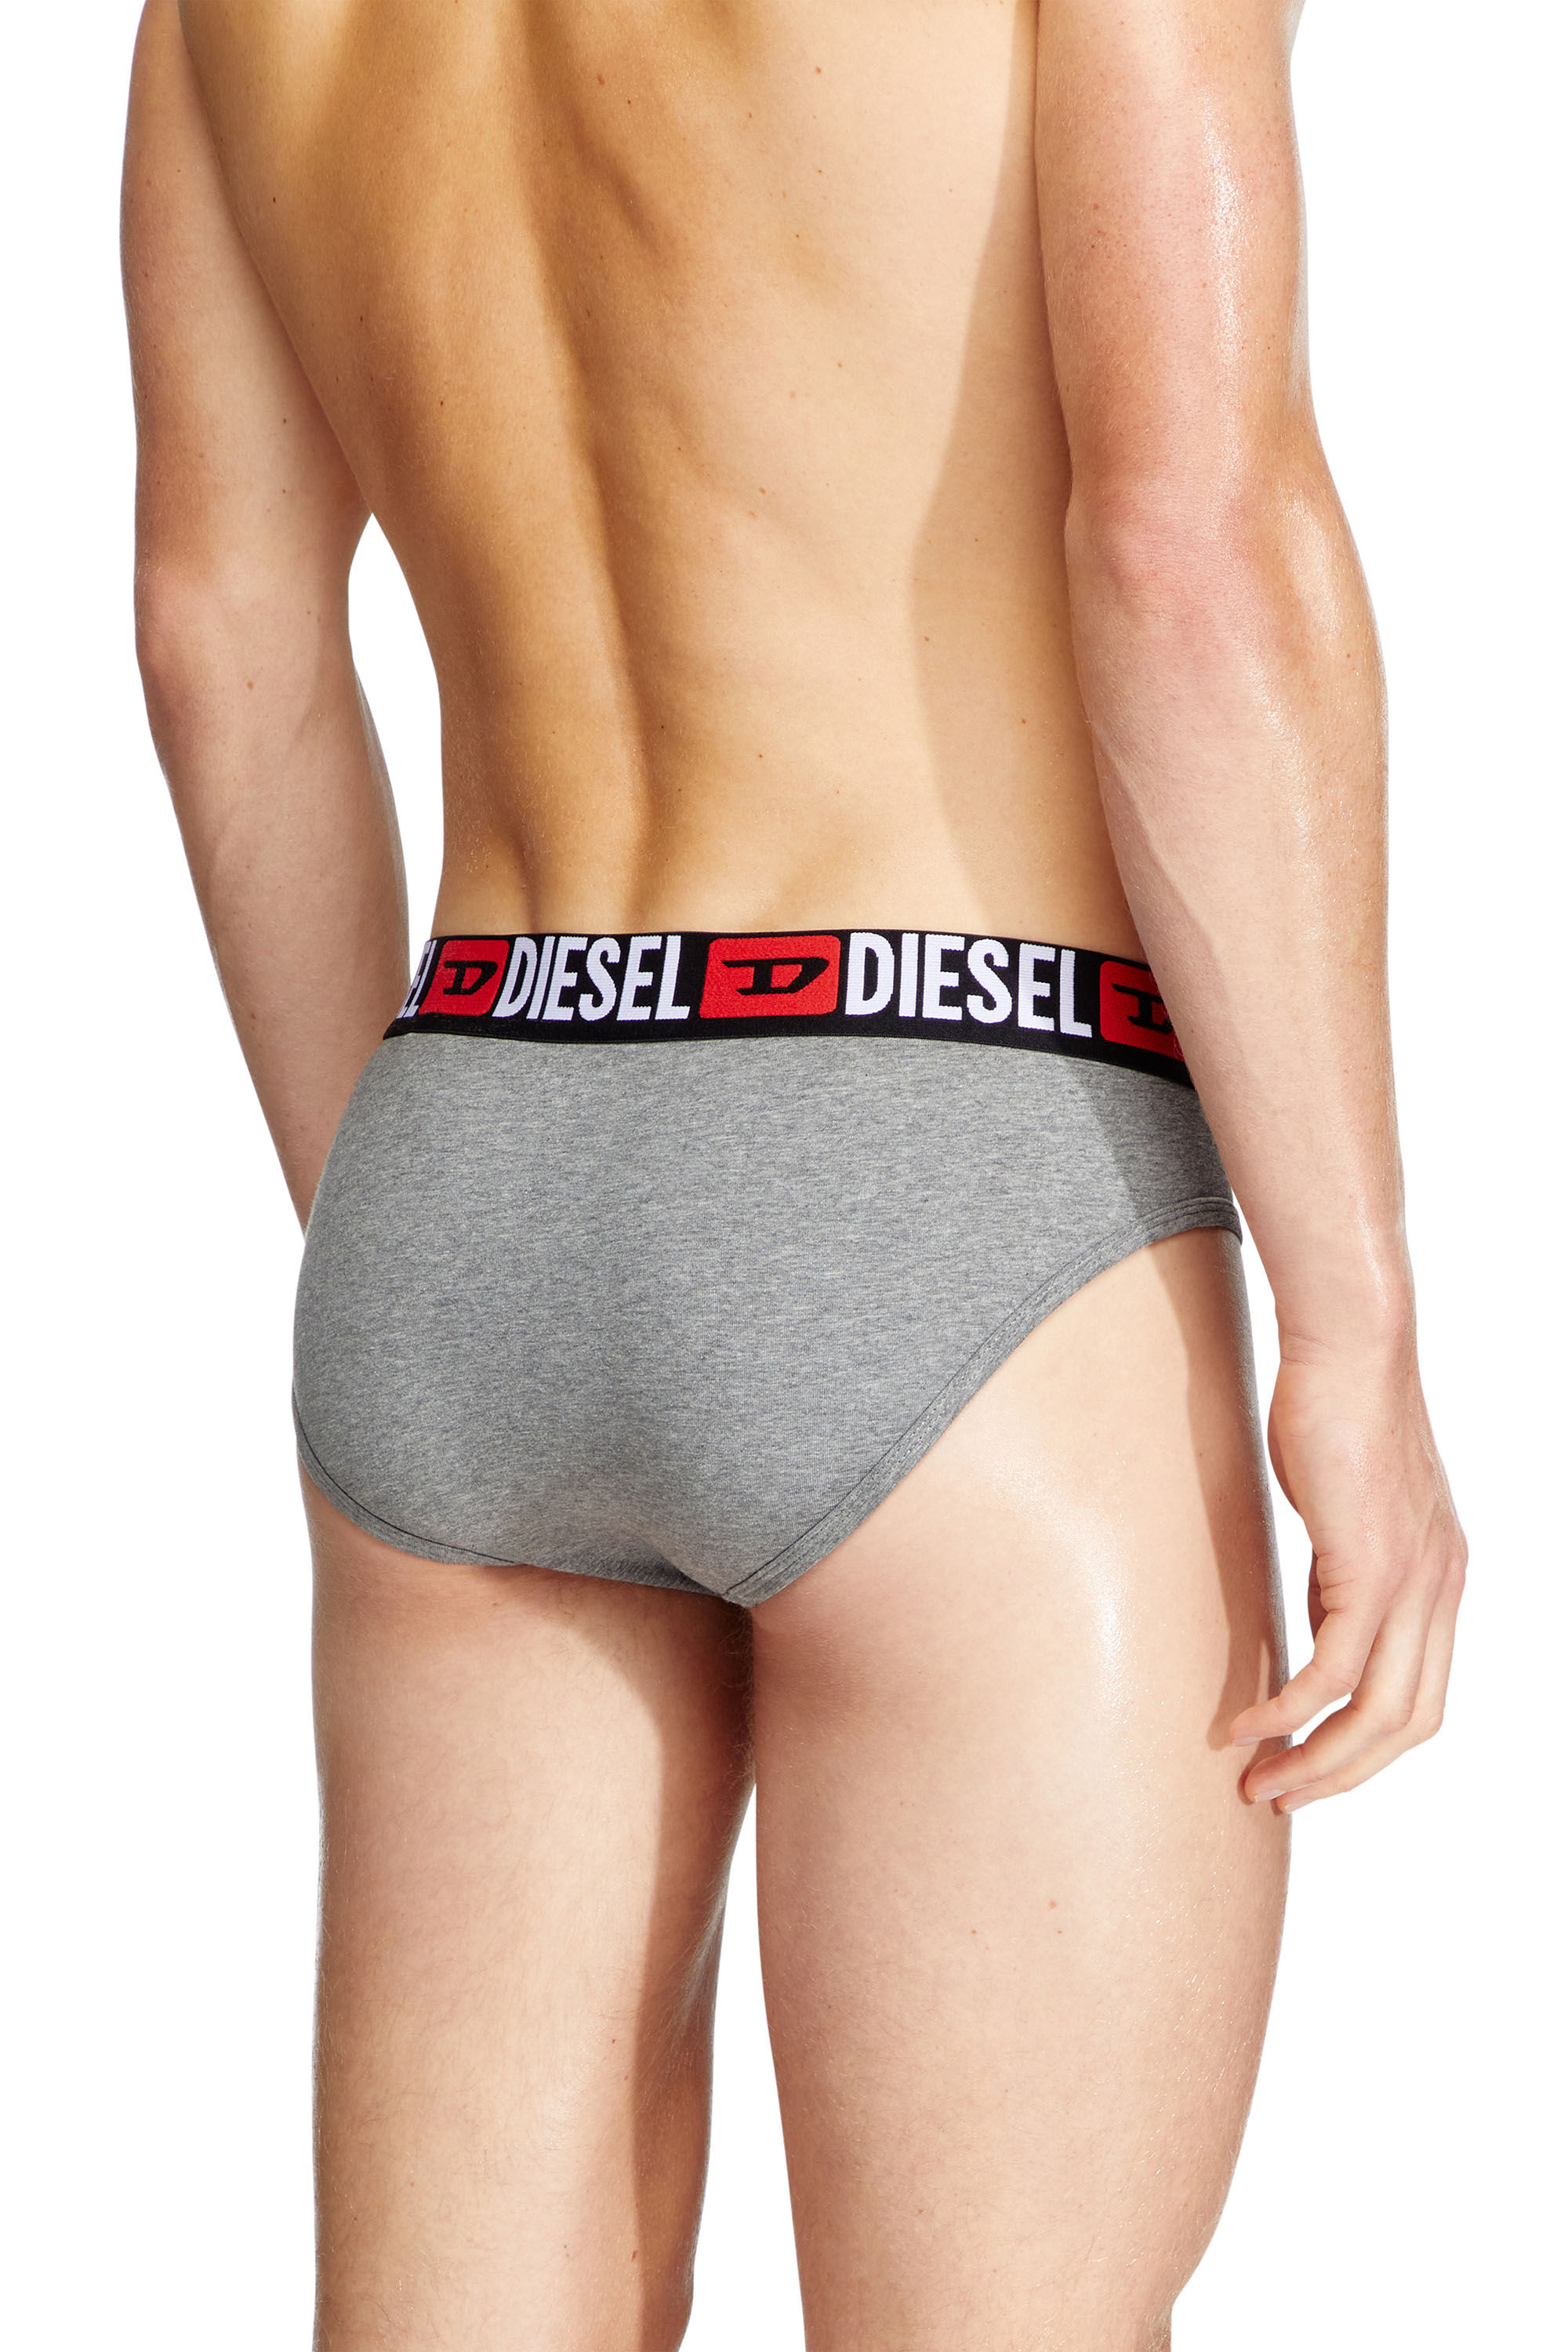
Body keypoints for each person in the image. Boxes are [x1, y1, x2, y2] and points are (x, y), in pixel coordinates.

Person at [122, 0, 1465, 2342]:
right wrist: (1355, 1329)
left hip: (472, 1121)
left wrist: (456, 1241)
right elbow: (1191, 547)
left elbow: (218, 633)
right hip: (963, 1140)